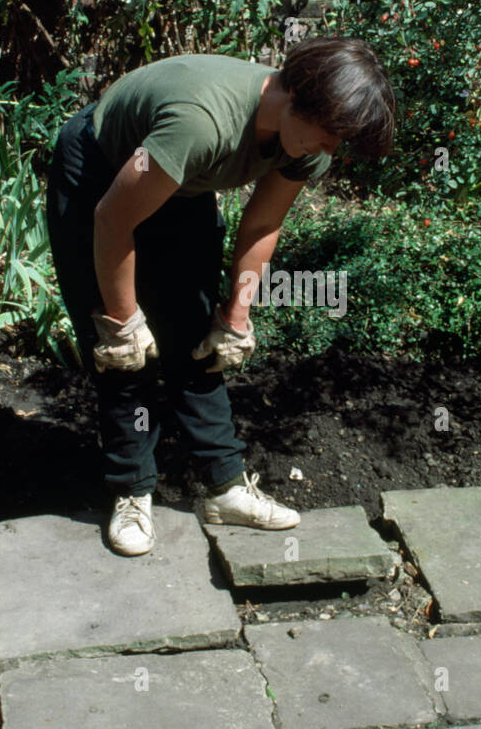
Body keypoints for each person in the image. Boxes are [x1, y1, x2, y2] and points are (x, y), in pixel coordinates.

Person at [46, 36, 395, 556]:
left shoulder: (306, 143)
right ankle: (132, 491)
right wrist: (122, 317)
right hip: (101, 169)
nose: (331, 152)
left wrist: (236, 313)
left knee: (196, 336)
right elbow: (113, 217)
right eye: (330, 136)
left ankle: (226, 488)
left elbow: (263, 223)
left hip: (178, 179)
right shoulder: (200, 123)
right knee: (121, 350)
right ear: (301, 97)